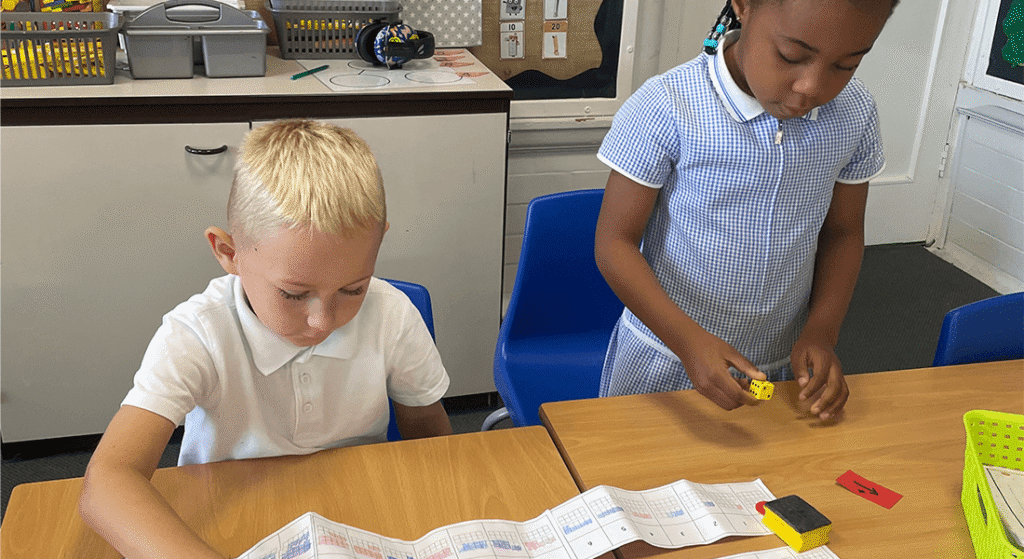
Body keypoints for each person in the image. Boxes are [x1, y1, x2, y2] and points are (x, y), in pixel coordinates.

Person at [79, 119, 453, 558]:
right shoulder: (199, 333)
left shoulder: (391, 313)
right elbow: (107, 480)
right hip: (226, 519)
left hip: (357, 511)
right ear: (229, 253)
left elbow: (430, 437)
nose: (322, 321)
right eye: (293, 294)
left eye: (353, 288)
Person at [594, 0, 898, 420]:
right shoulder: (668, 105)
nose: (811, 87)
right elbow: (614, 243)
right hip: (665, 356)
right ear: (743, 6)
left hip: (776, 363)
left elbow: (843, 234)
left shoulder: (855, 113)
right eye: (790, 55)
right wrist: (687, 342)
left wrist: (821, 333)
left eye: (845, 65)